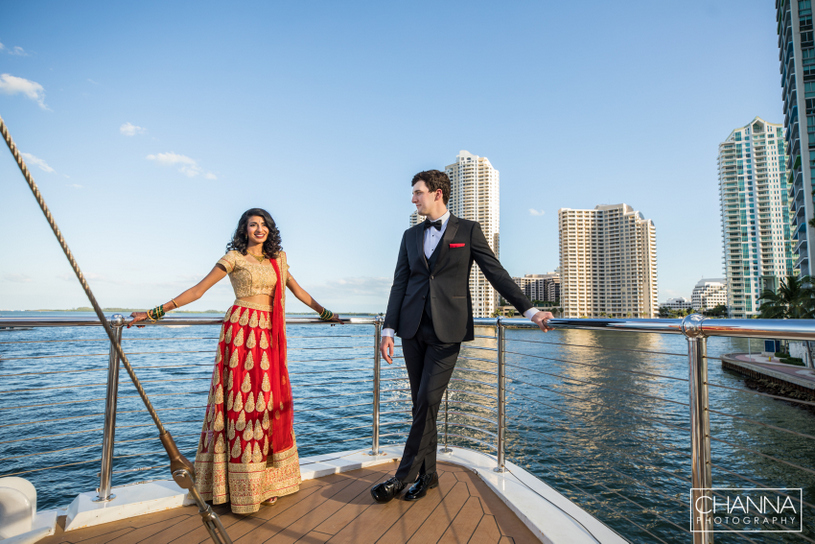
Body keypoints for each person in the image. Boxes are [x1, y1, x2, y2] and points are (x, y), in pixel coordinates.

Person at [130, 208, 340, 514]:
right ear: (243, 230)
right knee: (239, 405)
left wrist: (325, 313)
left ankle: (265, 482)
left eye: (263, 224)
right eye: (252, 224)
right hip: (240, 335)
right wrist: (155, 312)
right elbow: (199, 290)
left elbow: (297, 291)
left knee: (267, 406)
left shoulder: (278, 259)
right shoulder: (233, 258)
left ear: (270, 229)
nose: (259, 228)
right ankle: (233, 485)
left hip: (269, 337)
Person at [371, 170, 553, 503]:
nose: (413, 199)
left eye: (417, 193)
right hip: (412, 330)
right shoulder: (410, 236)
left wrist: (530, 311)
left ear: (437, 193)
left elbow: (495, 272)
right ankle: (428, 475)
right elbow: (399, 284)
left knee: (427, 401)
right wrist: (388, 329)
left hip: (447, 330)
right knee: (422, 406)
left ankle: (401, 478)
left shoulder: (467, 230)